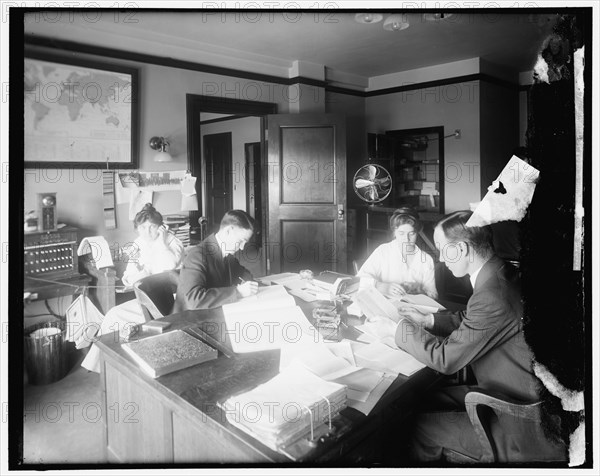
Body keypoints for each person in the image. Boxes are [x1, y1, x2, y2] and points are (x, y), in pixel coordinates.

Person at [366, 210, 565, 462]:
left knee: (416, 425)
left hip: (521, 423)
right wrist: (428, 320)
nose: (440, 257)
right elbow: (475, 319)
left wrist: (397, 329)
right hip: (512, 389)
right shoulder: (499, 273)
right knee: (420, 399)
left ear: (461, 249)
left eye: (441, 248)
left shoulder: (492, 294)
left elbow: (445, 359)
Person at [81, 203, 184, 373]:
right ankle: (104, 364)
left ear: (161, 228)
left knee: (115, 317)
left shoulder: (172, 242)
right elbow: (128, 276)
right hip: (148, 297)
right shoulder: (138, 244)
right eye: (143, 228)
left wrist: (161, 240)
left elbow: (169, 264)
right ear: (137, 229)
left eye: (152, 227)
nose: (148, 232)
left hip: (171, 300)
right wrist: (136, 275)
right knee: (113, 316)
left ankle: (101, 365)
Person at [174, 210, 258, 311]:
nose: (242, 248)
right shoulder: (197, 256)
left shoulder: (227, 253)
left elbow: (243, 274)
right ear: (228, 231)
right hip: (190, 320)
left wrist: (248, 284)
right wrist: (238, 292)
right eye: (240, 241)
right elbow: (194, 300)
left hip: (213, 312)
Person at [357, 207, 437, 299]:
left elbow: (433, 295)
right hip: (385, 306)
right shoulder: (383, 251)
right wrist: (381, 286)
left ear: (417, 233)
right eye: (401, 233)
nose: (406, 239)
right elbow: (359, 280)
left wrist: (419, 290)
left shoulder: (426, 259)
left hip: (413, 309)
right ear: (394, 233)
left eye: (411, 234)